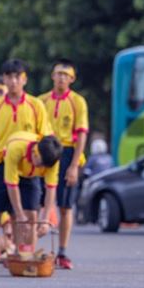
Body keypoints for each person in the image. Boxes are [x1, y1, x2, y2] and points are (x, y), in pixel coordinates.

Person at [0, 59, 52, 272]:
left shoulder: (36, 105)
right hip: (0, 163)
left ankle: (26, 255)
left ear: (24, 79)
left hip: (29, 165)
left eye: (17, 77)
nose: (13, 81)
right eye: (9, 76)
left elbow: (46, 138)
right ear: (4, 79)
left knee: (30, 214)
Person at [0, 132, 62, 275]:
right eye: (41, 164)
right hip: (4, 168)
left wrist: (45, 219)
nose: (43, 168)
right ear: (36, 153)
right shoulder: (16, 148)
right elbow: (12, 185)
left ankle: (25, 257)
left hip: (30, 176)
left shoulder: (51, 159)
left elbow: (50, 189)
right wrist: (19, 213)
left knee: (32, 217)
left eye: (45, 166)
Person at [39, 59, 89, 270]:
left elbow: (81, 134)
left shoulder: (78, 102)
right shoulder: (41, 101)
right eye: (58, 73)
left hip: (68, 151)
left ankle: (62, 251)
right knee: (36, 201)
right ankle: (28, 247)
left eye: (65, 75)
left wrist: (74, 165)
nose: (61, 78)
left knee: (65, 206)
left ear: (72, 79)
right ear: (52, 76)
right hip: (46, 150)